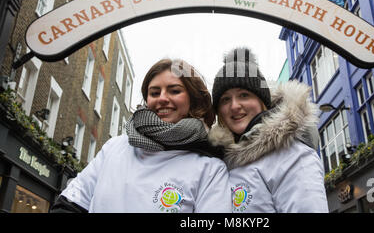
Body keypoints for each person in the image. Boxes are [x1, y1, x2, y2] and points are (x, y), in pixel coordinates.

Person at [50, 59, 231, 213]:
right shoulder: (115, 147)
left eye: (174, 90)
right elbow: (70, 203)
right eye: (154, 93)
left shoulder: (210, 168)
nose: (162, 98)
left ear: (193, 100)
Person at [208, 47, 329, 213]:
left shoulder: (292, 154)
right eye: (225, 99)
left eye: (244, 95)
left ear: (262, 100)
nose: (234, 106)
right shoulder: (221, 161)